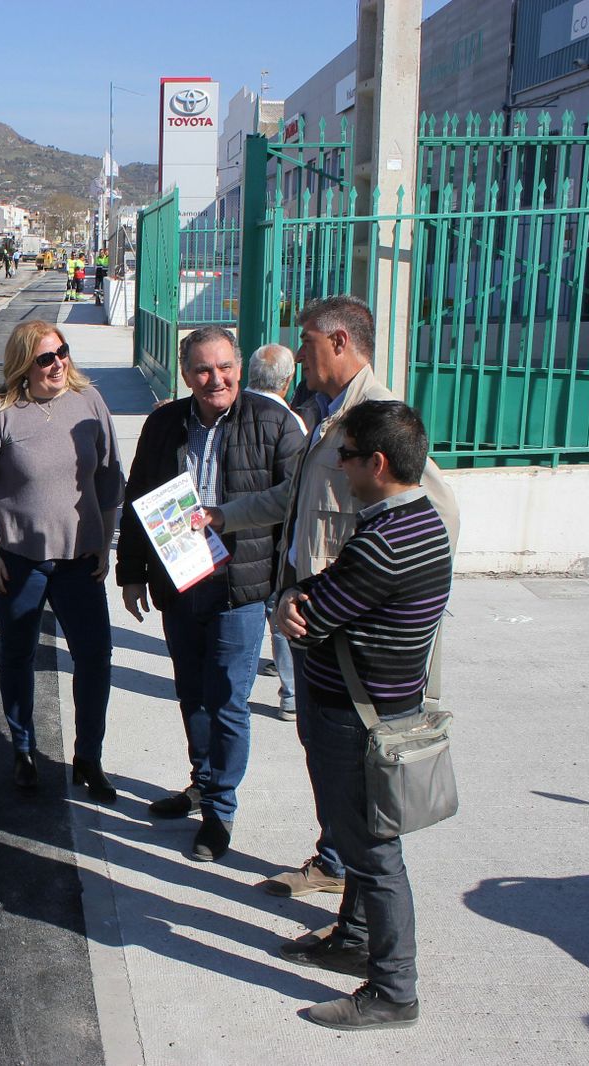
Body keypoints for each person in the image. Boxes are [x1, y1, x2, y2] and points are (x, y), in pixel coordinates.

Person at [202, 295, 459, 897]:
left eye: (308, 342)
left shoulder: (375, 415)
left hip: (344, 623)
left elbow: (434, 512)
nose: (298, 356)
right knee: (321, 748)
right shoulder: (329, 410)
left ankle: (343, 870)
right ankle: (337, 861)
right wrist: (222, 516)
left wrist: (388, 591)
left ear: (340, 342)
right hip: (314, 618)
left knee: (344, 758)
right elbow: (293, 497)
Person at [273, 399, 453, 1031]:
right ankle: (351, 938)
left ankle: (393, 991)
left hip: (355, 719)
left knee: (375, 856)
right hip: (381, 711)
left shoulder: (382, 543)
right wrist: (302, 601)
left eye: (346, 457)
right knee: (357, 838)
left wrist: (290, 603)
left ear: (377, 463)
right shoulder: (422, 519)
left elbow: (312, 616)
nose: (340, 468)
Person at [118, 326, 304, 860]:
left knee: (227, 700)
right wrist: (130, 571)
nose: (214, 378)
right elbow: (138, 498)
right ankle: (201, 781)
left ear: (240, 369)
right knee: (191, 693)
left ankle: (220, 811)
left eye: (223, 367)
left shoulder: (272, 422)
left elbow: (294, 504)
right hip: (180, 582)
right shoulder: (163, 424)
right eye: (202, 369)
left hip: (239, 588)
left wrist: (288, 585)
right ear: (186, 375)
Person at [0, 321, 125, 802]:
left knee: (94, 658)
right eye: (45, 358)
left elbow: (111, 481)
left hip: (79, 560)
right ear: (23, 365)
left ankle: (88, 758)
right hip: (18, 559)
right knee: (18, 654)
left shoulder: (89, 401)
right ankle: (23, 749)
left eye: (62, 353)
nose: (58, 364)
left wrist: (105, 541)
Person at [245, 344, 309, 721]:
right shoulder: (292, 423)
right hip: (272, 534)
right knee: (280, 608)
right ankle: (291, 696)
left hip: (228, 525)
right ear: (287, 382)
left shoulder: (229, 410)